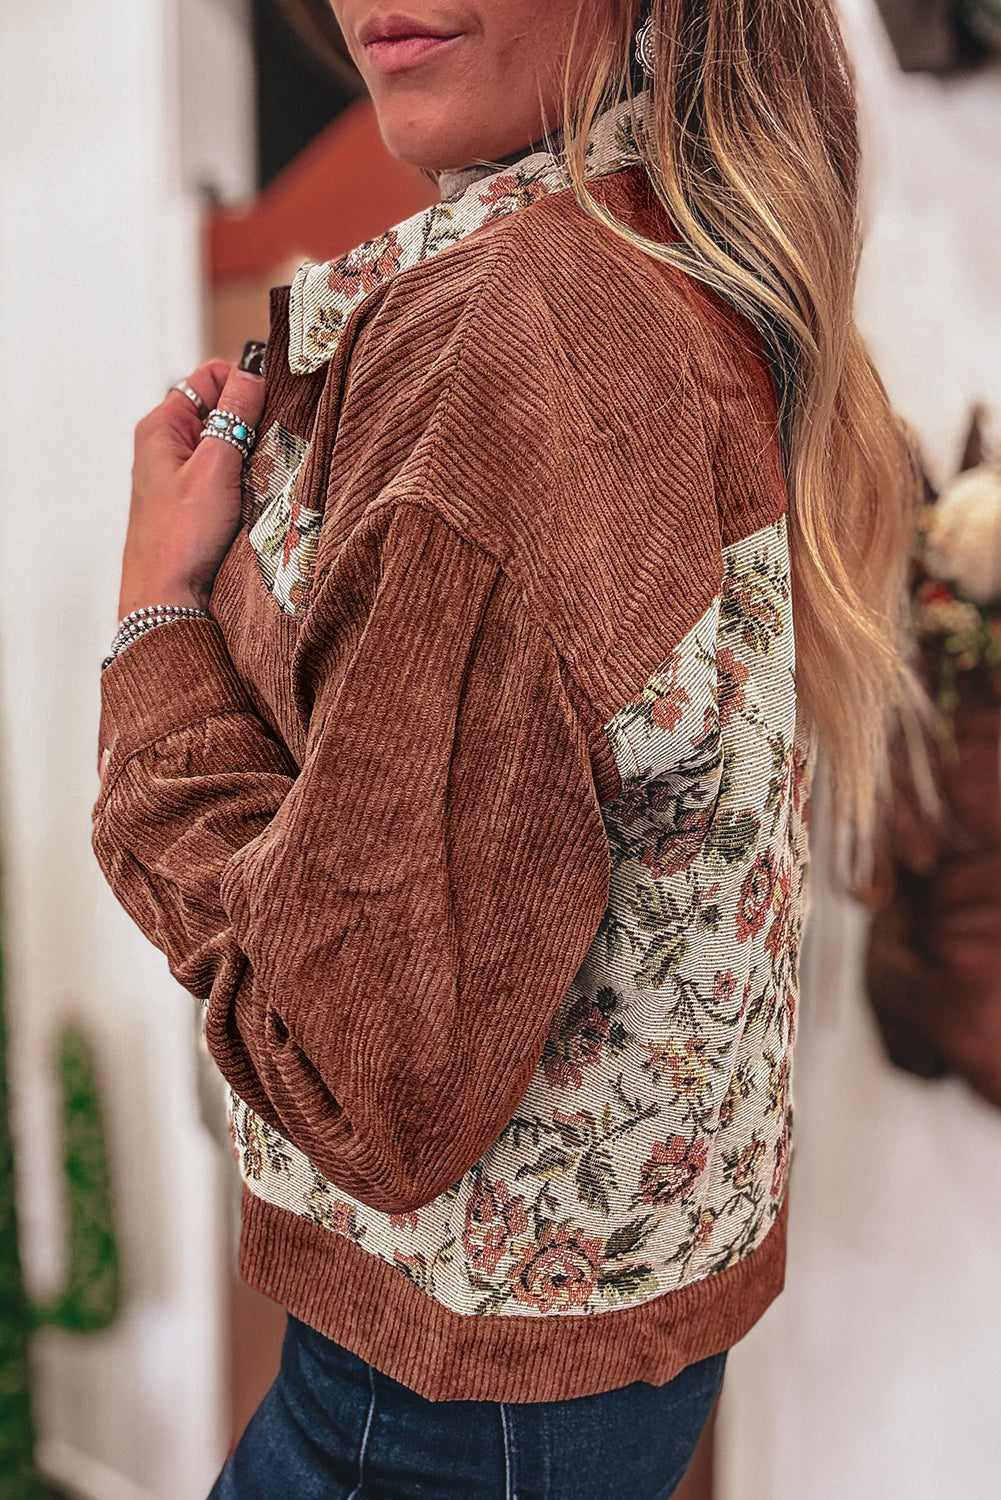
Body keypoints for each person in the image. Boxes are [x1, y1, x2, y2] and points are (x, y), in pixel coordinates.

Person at [91, 2, 922, 1496]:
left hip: (433, 1417)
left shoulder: (516, 332)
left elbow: (367, 1070)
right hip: (580, 1374)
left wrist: (159, 621)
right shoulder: (665, 244)